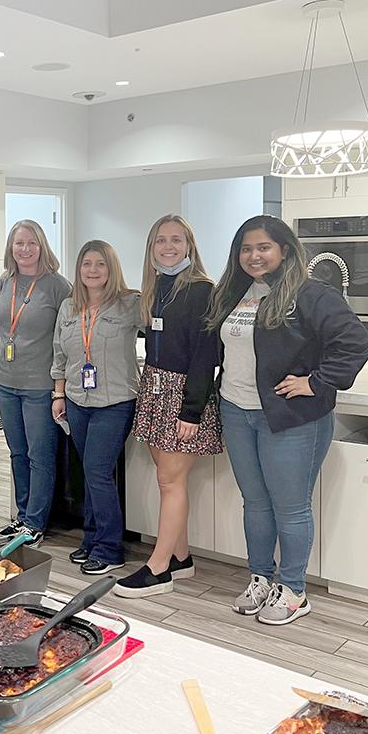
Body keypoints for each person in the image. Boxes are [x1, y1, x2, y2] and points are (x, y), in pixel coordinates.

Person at [207, 215, 368, 625]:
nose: (254, 255)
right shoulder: (237, 294)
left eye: (263, 247)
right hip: (237, 410)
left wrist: (317, 382)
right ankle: (261, 577)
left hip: (291, 418)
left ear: (284, 250)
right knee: (256, 503)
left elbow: (355, 343)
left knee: (291, 508)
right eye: (246, 248)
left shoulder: (312, 294)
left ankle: (294, 589)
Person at [115, 215, 221, 599]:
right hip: (154, 388)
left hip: (183, 396)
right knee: (169, 479)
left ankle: (158, 568)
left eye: (177, 240)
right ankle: (180, 556)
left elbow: (205, 355)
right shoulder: (155, 286)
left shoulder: (202, 290)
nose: (168, 247)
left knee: (170, 481)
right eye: (161, 240)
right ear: (151, 248)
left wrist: (191, 411)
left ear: (190, 246)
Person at [51, 240, 140, 575]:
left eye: (100, 264)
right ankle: (91, 539)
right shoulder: (68, 308)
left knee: (98, 472)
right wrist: (58, 395)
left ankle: (110, 548)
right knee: (89, 472)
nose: (93, 270)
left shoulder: (130, 304)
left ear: (111, 268)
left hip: (115, 402)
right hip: (76, 400)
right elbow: (59, 355)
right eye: (87, 264)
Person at [0, 220, 71, 547]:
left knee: (41, 455)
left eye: (31, 243)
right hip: (5, 381)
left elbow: (67, 339)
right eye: (18, 243)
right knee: (17, 452)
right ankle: (22, 515)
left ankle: (36, 522)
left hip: (40, 385)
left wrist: (60, 389)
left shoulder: (58, 286)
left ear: (42, 246)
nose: (24, 249)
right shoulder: (6, 281)